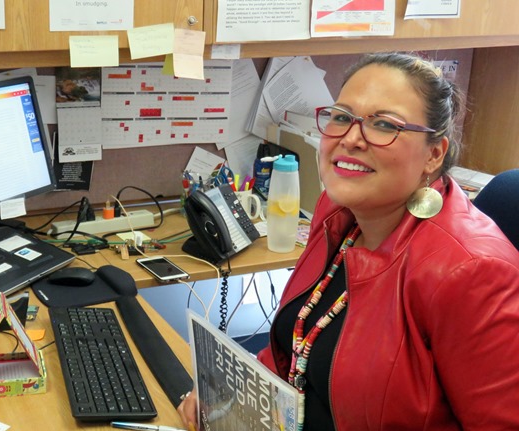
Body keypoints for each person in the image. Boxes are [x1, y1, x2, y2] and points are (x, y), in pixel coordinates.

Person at [178, 52, 519, 430]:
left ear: (433, 154)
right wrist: (235, 395)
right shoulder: (339, 211)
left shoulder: (472, 270)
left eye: (385, 125)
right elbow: (296, 348)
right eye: (342, 117)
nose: (352, 139)